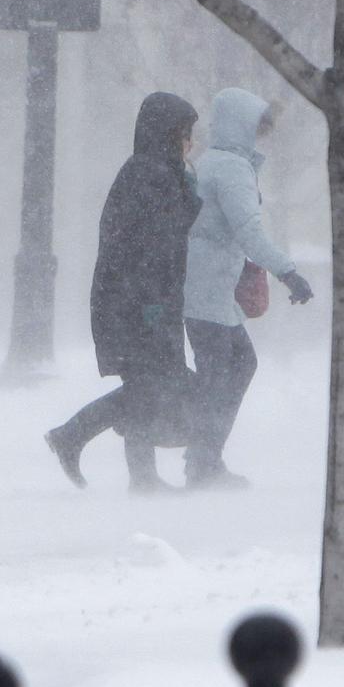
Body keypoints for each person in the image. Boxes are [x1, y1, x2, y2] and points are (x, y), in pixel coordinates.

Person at [53, 92, 201, 494]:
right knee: (151, 386)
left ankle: (128, 468)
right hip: (138, 303)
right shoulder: (150, 175)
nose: (190, 143)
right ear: (168, 134)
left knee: (145, 387)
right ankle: (81, 440)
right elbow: (153, 246)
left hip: (134, 300)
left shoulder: (153, 171)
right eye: (186, 134)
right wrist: (152, 306)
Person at [181, 88, 313, 489]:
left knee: (230, 368)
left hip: (207, 288)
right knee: (225, 372)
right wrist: (288, 272)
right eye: (257, 127)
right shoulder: (232, 169)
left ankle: (203, 457)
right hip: (209, 289)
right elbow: (249, 231)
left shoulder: (212, 161)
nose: (260, 136)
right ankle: (203, 462)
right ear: (240, 125)